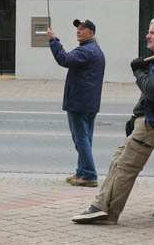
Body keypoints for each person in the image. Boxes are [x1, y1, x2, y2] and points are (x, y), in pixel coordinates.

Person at [71, 16, 154, 225]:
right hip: (150, 120)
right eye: (149, 31)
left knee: (126, 166)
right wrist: (135, 115)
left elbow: (152, 91)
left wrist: (138, 71)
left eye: (152, 32)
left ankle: (105, 211)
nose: (147, 35)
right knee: (119, 160)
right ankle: (102, 206)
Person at [47, 19, 106, 187]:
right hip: (88, 102)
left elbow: (64, 59)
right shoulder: (93, 49)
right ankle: (82, 171)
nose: (78, 31)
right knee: (85, 138)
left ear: (92, 33)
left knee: (80, 138)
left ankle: (88, 174)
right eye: (78, 28)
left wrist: (53, 40)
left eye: (83, 29)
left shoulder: (86, 51)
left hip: (79, 102)